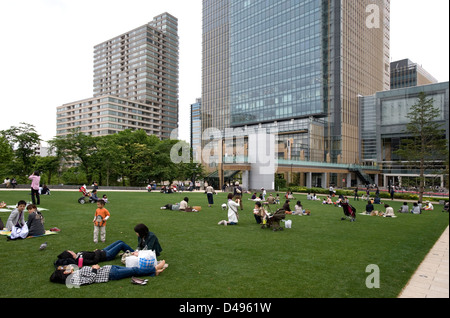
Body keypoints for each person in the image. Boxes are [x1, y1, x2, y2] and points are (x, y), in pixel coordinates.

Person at [50, 260, 167, 286]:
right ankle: (154, 268)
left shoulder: (73, 273)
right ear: (63, 274)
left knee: (133, 270)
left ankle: (154, 273)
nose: (66, 269)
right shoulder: (74, 280)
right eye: (63, 270)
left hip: (108, 268)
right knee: (134, 270)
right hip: (110, 274)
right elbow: (89, 280)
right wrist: (95, 269)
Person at [54, 240, 136, 267]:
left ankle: (130, 252)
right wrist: (96, 252)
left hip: (102, 251)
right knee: (121, 245)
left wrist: (95, 251)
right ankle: (135, 254)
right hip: (106, 255)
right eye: (70, 251)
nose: (72, 251)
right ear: (71, 255)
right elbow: (95, 261)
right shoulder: (80, 260)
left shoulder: (77, 254)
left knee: (119, 241)